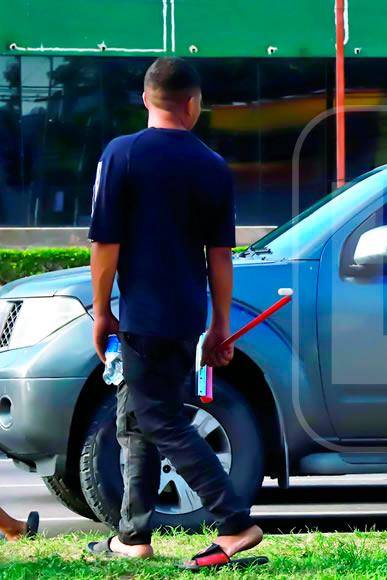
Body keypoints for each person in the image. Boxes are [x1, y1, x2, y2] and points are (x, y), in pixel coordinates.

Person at [86, 57, 264, 569]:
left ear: (146, 99)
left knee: (158, 417)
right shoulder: (211, 164)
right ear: (193, 104)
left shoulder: (120, 154)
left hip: (141, 314)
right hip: (186, 315)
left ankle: (234, 523)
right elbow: (220, 257)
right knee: (137, 419)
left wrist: (102, 311)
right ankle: (132, 535)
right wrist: (221, 324)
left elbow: (105, 243)